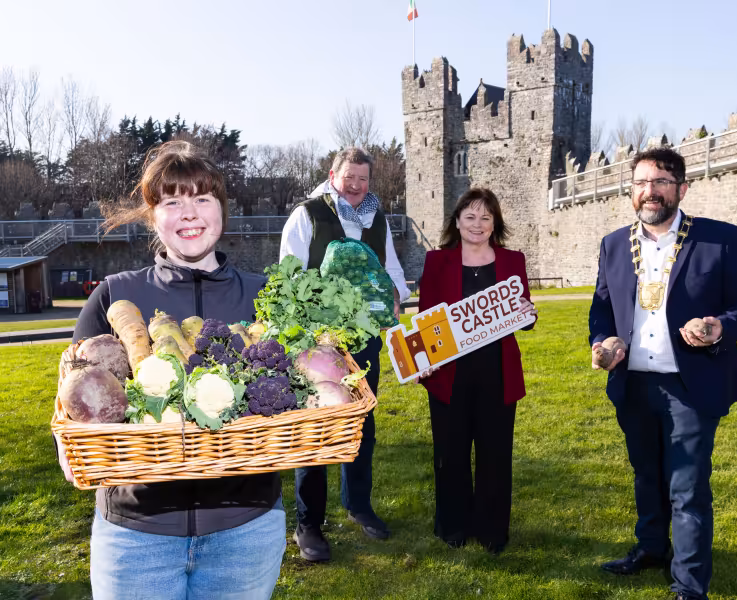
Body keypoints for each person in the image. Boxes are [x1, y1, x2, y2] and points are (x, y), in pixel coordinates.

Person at [56, 141, 286, 599]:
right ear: (152, 215)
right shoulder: (114, 295)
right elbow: (74, 396)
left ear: (222, 209)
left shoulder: (266, 295)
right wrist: (70, 444)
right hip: (136, 533)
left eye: (203, 198)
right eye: (173, 201)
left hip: (245, 528)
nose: (190, 213)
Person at [588, 147, 737, 600]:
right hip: (633, 383)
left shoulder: (719, 239)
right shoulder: (612, 244)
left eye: (661, 182)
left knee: (686, 486)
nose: (651, 191)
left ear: (681, 189)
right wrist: (603, 342)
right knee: (646, 474)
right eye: (642, 183)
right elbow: (602, 309)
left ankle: (688, 584)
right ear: (631, 191)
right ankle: (650, 549)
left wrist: (717, 326)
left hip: (690, 384)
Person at [279, 147, 411, 561]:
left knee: (362, 423)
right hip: (319, 342)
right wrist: (308, 324)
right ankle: (309, 524)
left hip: (366, 335)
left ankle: (358, 505)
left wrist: (396, 297)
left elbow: (390, 266)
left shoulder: (377, 216)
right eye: (348, 178)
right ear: (333, 175)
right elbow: (288, 271)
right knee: (316, 427)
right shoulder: (309, 214)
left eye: (363, 179)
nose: (356, 186)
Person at [416, 188, 537, 554]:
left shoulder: (513, 260)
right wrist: (423, 360)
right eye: (470, 216)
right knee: (450, 454)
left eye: (486, 218)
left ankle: (491, 530)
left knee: (495, 454)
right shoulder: (437, 261)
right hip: (448, 375)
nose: (477, 224)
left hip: (497, 373)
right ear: (456, 221)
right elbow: (425, 317)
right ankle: (452, 525)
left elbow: (523, 313)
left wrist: (528, 314)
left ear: (495, 223)